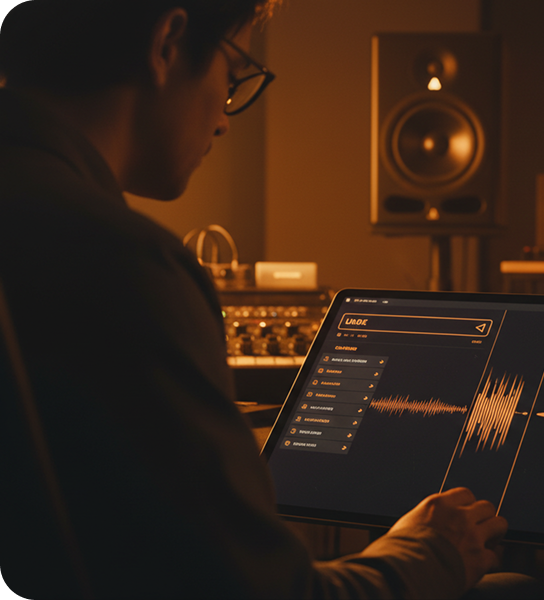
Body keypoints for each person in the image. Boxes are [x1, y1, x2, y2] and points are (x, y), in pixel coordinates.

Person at [0, 1, 517, 597]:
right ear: (168, 43)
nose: (223, 121)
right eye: (232, 74)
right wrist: (428, 554)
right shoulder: (123, 266)